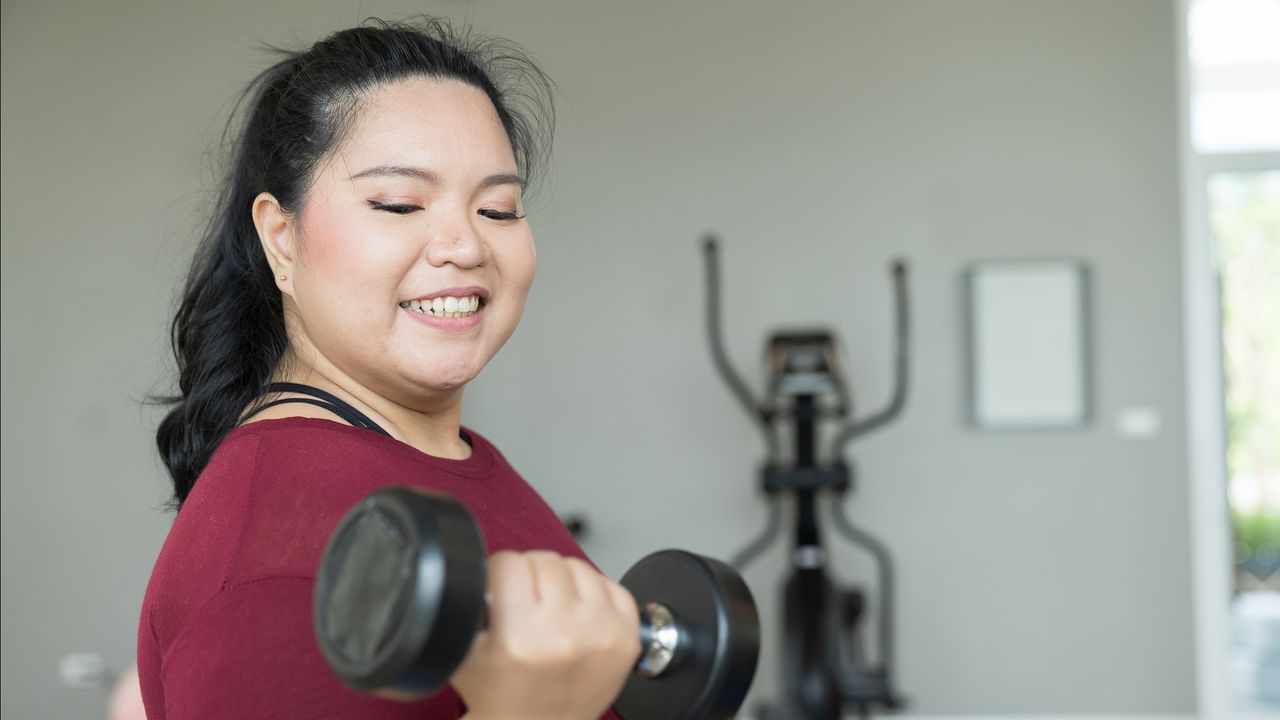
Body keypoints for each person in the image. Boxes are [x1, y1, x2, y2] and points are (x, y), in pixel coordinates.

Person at [139, 18, 639, 720]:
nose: (465, 244)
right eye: (399, 203)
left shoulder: (444, 458)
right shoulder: (273, 553)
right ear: (281, 239)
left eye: (498, 208)